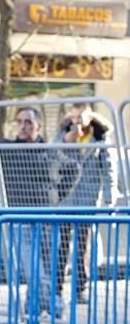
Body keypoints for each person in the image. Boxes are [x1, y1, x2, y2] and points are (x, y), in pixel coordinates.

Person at [0, 107, 79, 324]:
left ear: (39, 127)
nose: (24, 127)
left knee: (45, 273)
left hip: (46, 221)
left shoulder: (49, 151)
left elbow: (75, 169)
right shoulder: (7, 149)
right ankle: (57, 309)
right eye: (21, 122)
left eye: (29, 123)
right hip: (19, 223)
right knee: (36, 273)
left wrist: (56, 196)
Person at [54, 103, 113, 304]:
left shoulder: (100, 136)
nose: (77, 119)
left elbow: (108, 167)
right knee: (61, 246)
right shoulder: (63, 133)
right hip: (65, 198)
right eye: (75, 115)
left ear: (90, 115)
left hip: (88, 199)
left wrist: (109, 196)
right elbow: (50, 156)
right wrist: (65, 141)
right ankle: (57, 289)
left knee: (83, 245)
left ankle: (80, 289)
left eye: (81, 115)